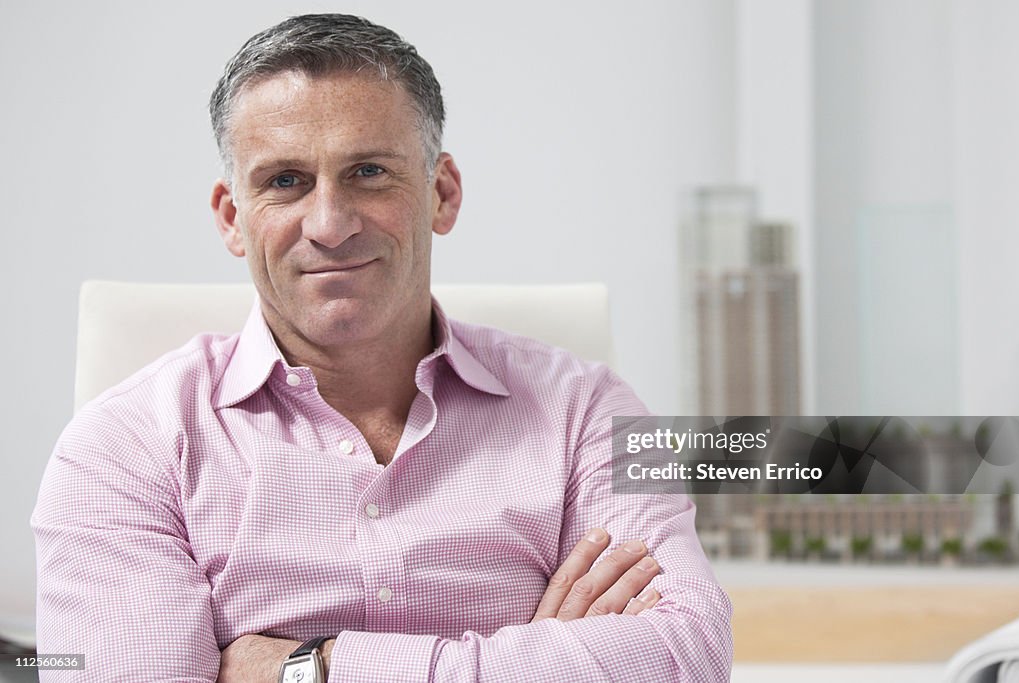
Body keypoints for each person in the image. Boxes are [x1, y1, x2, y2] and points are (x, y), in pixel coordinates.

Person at [32, 13, 732, 682]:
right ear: (231, 218)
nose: (330, 224)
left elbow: (689, 654)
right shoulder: (122, 448)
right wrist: (542, 658)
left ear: (442, 192)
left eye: (368, 172)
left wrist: (307, 667)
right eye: (285, 181)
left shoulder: (591, 408)